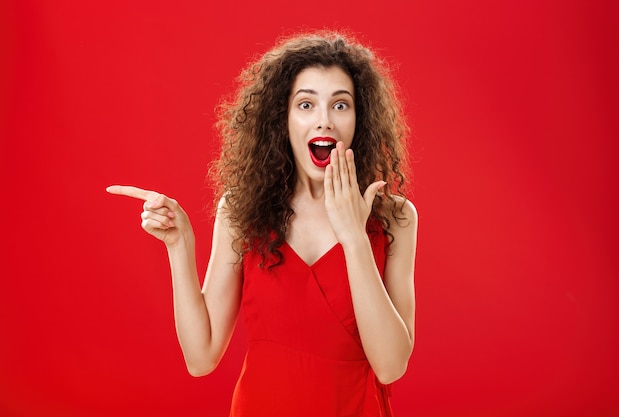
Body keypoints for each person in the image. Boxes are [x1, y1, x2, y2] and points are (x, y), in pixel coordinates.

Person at [107, 31, 418, 417]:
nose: (324, 121)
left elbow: (391, 365)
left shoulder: (395, 217)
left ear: (361, 118)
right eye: (306, 104)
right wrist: (179, 245)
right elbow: (200, 357)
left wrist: (354, 238)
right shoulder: (243, 210)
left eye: (341, 105)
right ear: (282, 118)